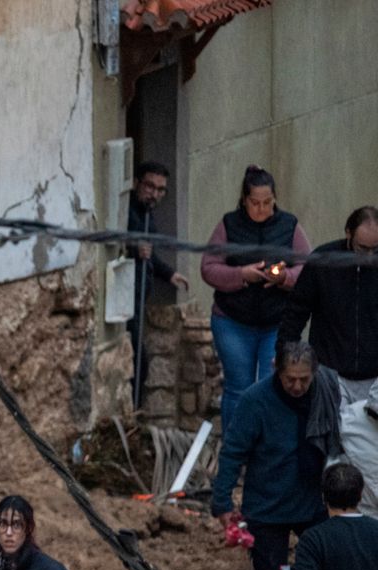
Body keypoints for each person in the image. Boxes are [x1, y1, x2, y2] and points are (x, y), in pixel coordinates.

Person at [212, 341, 329, 570]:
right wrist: (221, 502)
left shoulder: (325, 394)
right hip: (266, 506)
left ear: (314, 374)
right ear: (277, 370)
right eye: (290, 379)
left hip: (313, 503)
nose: (296, 386)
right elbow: (233, 451)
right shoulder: (254, 401)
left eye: (303, 380)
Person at [201, 165, 313, 433]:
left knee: (270, 385)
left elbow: (308, 269)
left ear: (275, 199)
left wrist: (284, 278)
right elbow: (209, 268)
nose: (261, 209)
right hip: (233, 320)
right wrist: (241, 274)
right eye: (255, 203)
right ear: (244, 200)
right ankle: (235, 449)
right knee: (238, 387)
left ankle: (266, 448)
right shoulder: (228, 225)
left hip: (276, 322)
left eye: (267, 202)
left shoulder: (289, 226)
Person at [279, 206, 378, 398]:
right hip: (330, 372)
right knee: (330, 427)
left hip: (375, 377)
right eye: (362, 248)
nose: (369, 256)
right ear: (348, 234)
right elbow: (296, 311)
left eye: (375, 249)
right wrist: (284, 354)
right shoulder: (324, 261)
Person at [126, 161, 191, 407]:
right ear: (136, 184)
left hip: (139, 298)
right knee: (137, 363)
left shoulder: (146, 213)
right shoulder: (128, 212)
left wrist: (169, 274)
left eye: (160, 189)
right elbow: (118, 243)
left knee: (141, 364)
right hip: (126, 300)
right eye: (150, 186)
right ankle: (132, 417)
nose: (154, 194)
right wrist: (132, 247)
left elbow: (148, 252)